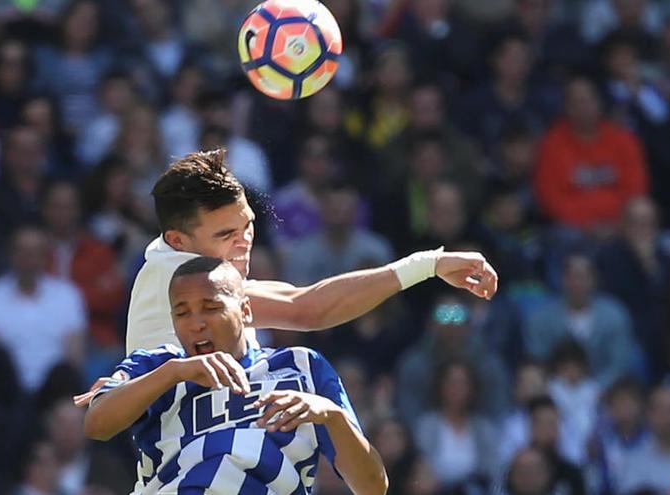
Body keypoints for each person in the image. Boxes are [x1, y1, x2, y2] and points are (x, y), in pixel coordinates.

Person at [115, 149, 498, 357]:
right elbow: (306, 308)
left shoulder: (177, 263)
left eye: (248, 225)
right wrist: (426, 264)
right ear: (178, 240)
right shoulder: (177, 278)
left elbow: (301, 300)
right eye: (226, 233)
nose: (245, 240)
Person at [82, 257, 388, 494]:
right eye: (182, 312)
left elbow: (373, 487)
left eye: (210, 307)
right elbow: (97, 424)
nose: (196, 323)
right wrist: (174, 373)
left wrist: (332, 415)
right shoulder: (157, 366)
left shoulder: (302, 367)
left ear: (245, 310)